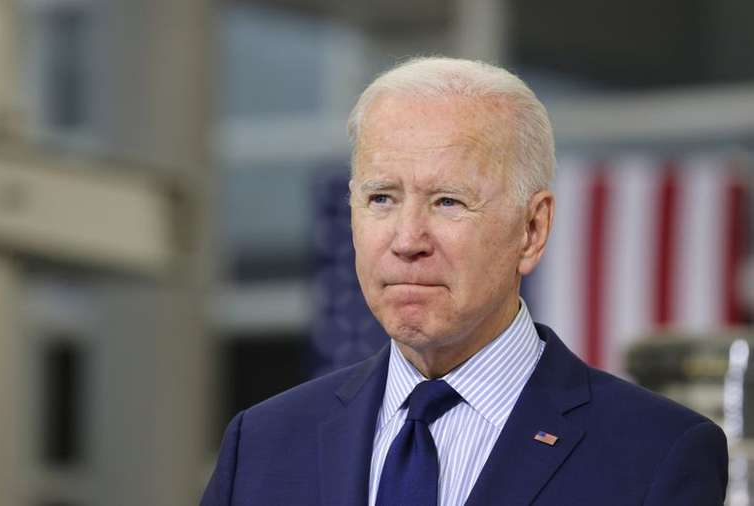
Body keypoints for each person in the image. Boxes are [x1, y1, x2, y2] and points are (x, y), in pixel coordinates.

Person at [201, 57, 728, 506]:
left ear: (532, 228)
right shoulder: (263, 444)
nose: (407, 239)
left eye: (448, 201)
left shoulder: (656, 453)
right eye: (382, 198)